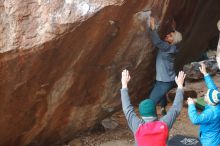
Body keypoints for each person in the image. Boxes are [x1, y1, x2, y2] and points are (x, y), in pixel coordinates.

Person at [120, 69, 186, 146]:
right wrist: (180, 86)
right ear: (155, 111)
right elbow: (176, 108)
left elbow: (127, 109)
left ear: (141, 114)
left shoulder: (138, 126)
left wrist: (124, 85)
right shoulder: (164, 124)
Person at [147, 16, 183, 115]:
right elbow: (174, 39)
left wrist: (152, 28)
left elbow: (157, 42)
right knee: (159, 93)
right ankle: (163, 107)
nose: (167, 35)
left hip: (165, 81)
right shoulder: (172, 47)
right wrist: (173, 28)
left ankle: (152, 121)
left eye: (170, 36)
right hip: (165, 79)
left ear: (173, 40)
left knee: (151, 102)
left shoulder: (167, 47)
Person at [187, 63, 220, 146]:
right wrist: (205, 73)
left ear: (209, 101)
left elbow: (195, 120)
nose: (204, 94)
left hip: (209, 142)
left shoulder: (210, 113)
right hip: (215, 137)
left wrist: (191, 105)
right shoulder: (216, 102)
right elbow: (212, 88)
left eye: (206, 95)